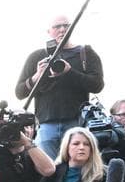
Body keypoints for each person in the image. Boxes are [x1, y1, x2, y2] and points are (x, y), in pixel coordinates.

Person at [14, 15, 105, 159]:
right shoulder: (37, 56)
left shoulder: (85, 53)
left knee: (76, 167)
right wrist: (37, 76)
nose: (62, 30)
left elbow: (97, 85)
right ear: (49, 31)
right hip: (46, 125)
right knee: (47, 169)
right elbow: (19, 92)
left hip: (76, 122)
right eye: (57, 26)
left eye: (66, 26)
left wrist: (70, 72)